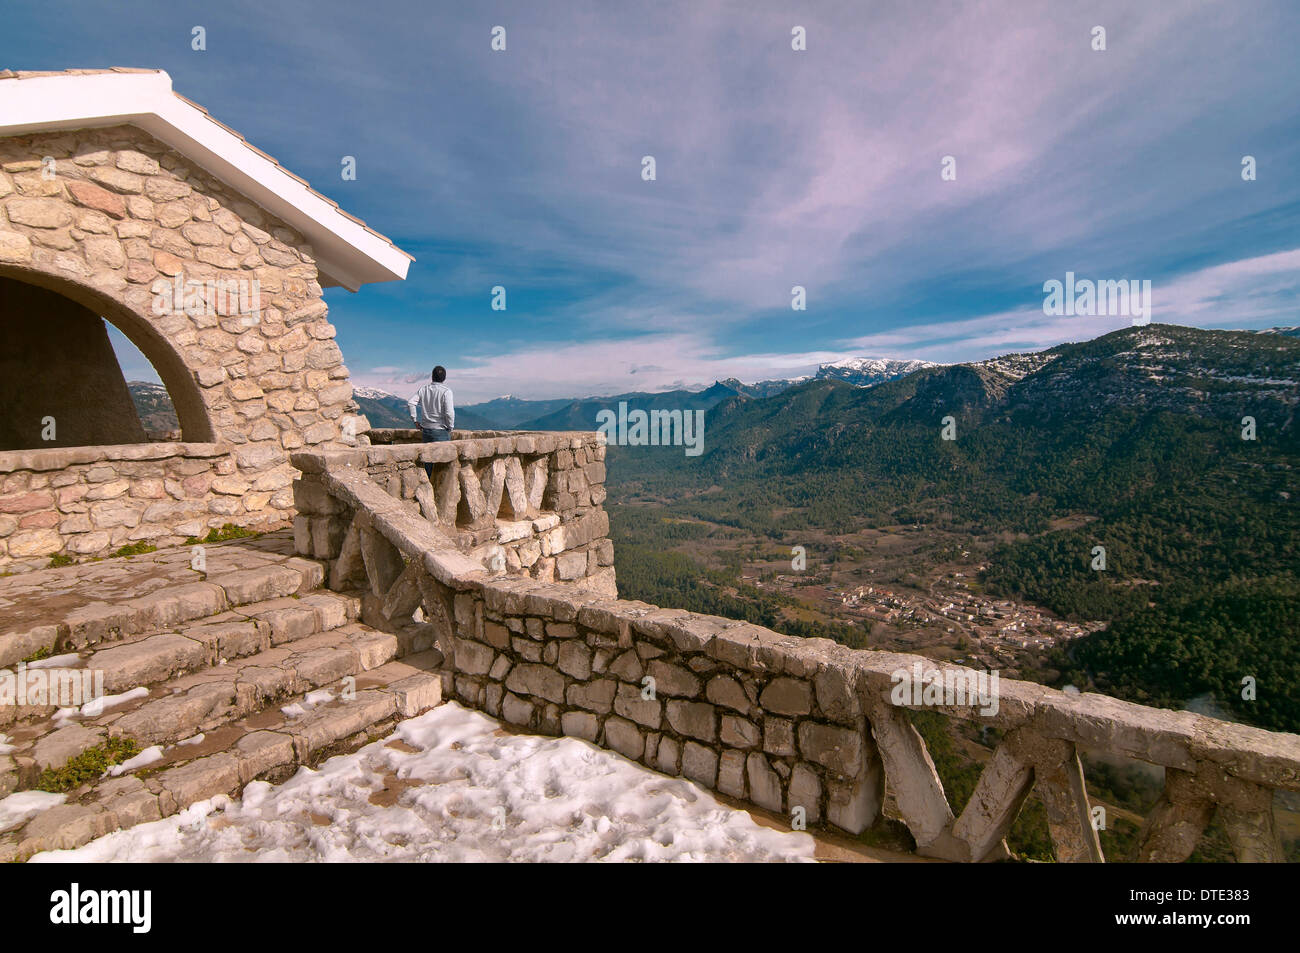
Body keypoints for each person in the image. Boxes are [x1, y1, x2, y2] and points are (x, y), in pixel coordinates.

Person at [409, 365, 454, 479]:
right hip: (441, 431)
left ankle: (426, 490)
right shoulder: (446, 391)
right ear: (444, 378)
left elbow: (411, 403)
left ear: (432, 376)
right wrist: (450, 427)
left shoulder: (424, 389)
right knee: (443, 467)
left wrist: (415, 420)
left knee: (427, 465)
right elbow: (449, 412)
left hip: (426, 431)